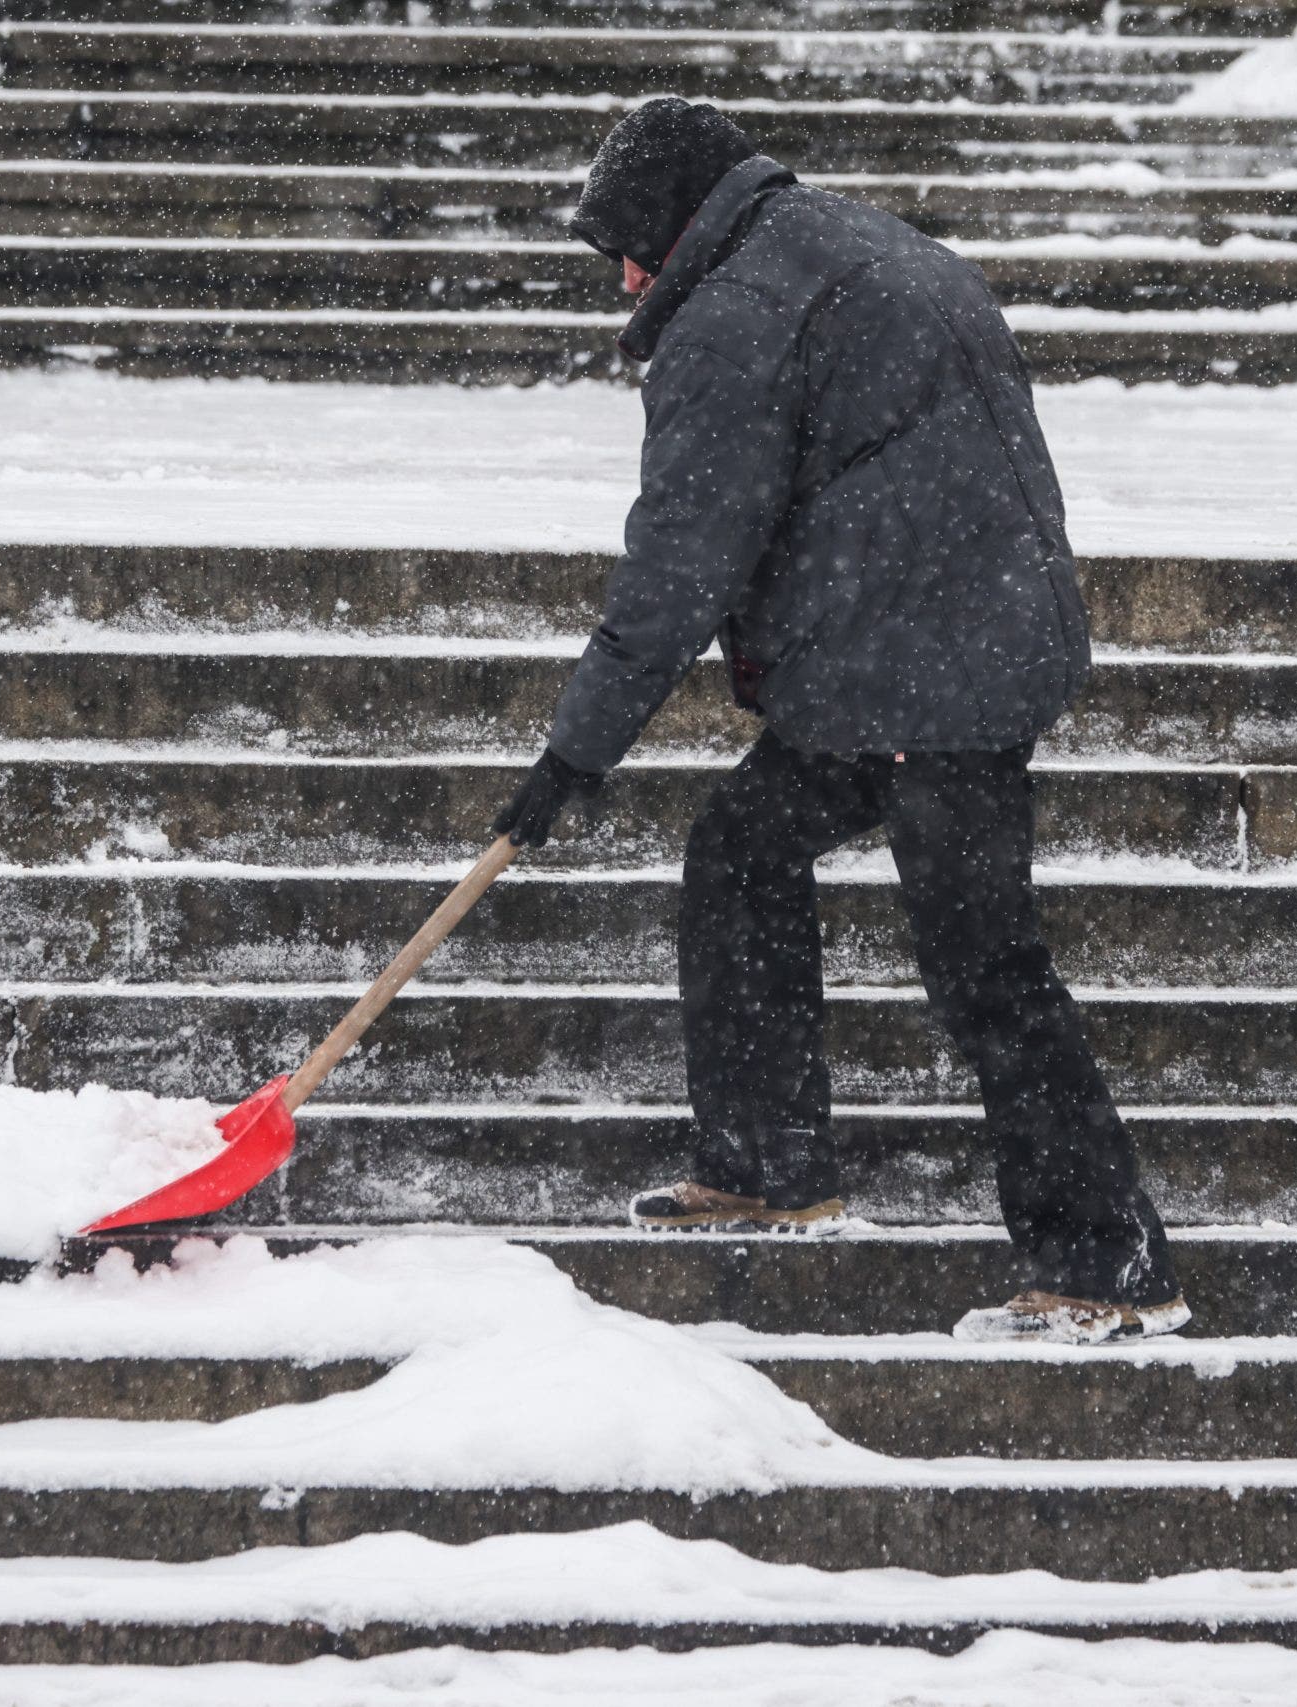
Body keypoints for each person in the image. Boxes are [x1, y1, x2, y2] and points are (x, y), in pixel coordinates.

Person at [490, 98, 1188, 1345]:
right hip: (941, 647)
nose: (630, 279)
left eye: (631, 249)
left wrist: (574, 753)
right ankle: (766, 1162)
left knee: (986, 967)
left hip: (921, 675)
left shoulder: (737, 316)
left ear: (675, 224)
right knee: (742, 852)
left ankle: (1103, 1262)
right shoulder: (850, 243)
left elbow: (682, 560)